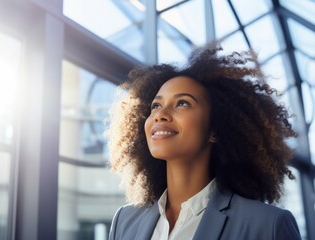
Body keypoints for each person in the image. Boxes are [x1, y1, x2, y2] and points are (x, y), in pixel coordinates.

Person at [106, 43, 301, 240]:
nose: (160, 115)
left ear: (215, 129)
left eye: (182, 103)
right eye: (156, 105)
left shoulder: (267, 226)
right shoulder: (125, 221)